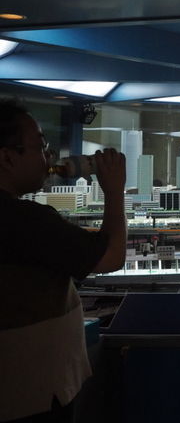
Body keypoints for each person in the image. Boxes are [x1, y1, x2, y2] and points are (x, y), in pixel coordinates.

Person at [0, 99, 127, 422]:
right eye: (40, 146)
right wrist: (114, 191)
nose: (49, 156)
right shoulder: (26, 221)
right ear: (7, 157)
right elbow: (111, 256)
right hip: (32, 393)